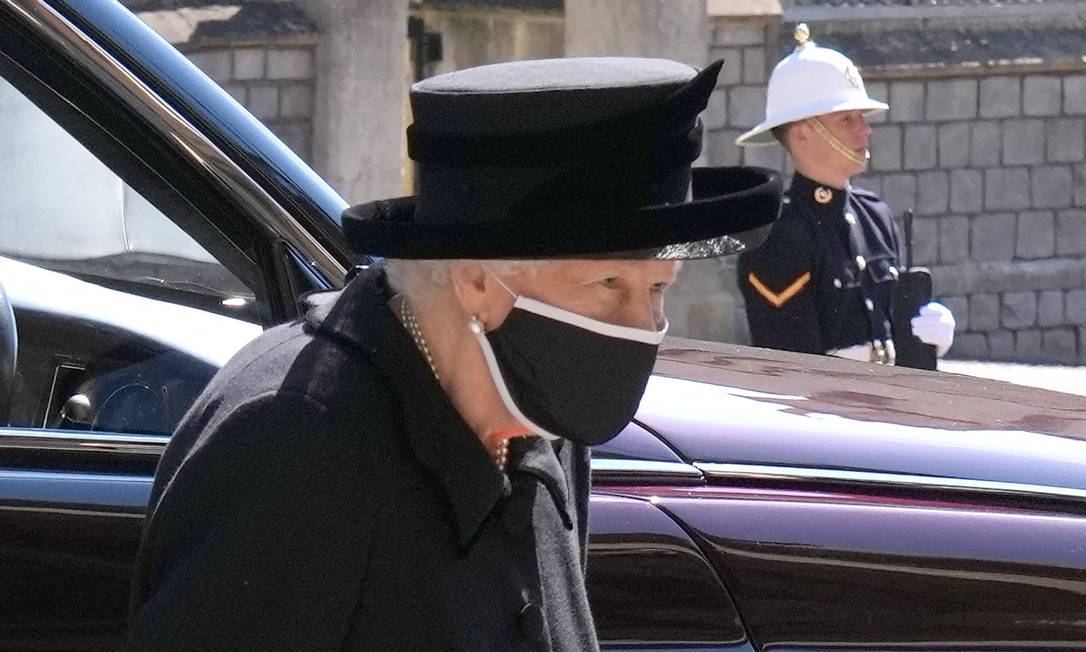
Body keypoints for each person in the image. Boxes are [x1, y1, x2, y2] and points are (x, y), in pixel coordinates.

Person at [125, 56, 782, 651]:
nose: (642, 326)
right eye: (609, 284)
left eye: (659, 288)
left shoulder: (538, 420)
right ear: (474, 281)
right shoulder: (297, 441)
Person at [735, 24, 955, 366]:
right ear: (802, 134)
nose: (864, 129)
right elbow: (792, 364)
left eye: (861, 117)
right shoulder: (778, 233)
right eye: (847, 120)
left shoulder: (875, 215)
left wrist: (922, 339)